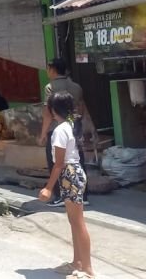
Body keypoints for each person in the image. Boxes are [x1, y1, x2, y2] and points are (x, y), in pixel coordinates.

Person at [39, 91, 95, 279]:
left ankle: (87, 269)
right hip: (73, 173)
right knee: (74, 221)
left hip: (68, 174)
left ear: (53, 110)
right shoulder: (70, 125)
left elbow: (59, 163)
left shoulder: (60, 130)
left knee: (78, 222)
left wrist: (48, 187)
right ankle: (77, 262)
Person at [40, 58, 96, 207]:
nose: (47, 72)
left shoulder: (50, 87)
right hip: (74, 127)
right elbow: (81, 108)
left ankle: (59, 196)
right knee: (78, 159)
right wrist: (75, 121)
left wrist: (43, 133)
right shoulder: (76, 87)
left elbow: (47, 113)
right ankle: (83, 195)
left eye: (48, 69)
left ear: (52, 69)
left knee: (56, 162)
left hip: (56, 128)